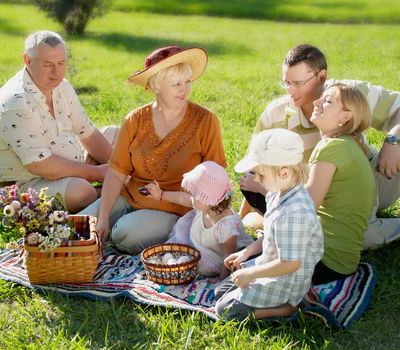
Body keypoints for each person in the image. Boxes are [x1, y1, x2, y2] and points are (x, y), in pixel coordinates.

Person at [239, 44, 400, 255]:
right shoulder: (276, 114)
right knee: (352, 237)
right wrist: (241, 217)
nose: (291, 91)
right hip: (324, 200)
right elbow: (255, 169)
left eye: (298, 83)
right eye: (286, 83)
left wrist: (393, 141)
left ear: (321, 77)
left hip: (375, 179)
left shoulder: (347, 95)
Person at [79, 46, 227, 254]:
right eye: (176, 84)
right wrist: (102, 218)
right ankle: (107, 228)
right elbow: (116, 172)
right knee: (78, 226)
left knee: (124, 234)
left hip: (175, 209)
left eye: (187, 82)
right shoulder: (135, 119)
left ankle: (118, 233)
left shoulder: (206, 121)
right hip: (129, 197)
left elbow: (216, 176)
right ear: (156, 86)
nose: (184, 89)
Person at [0, 30, 115, 213]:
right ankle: (113, 193)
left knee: (115, 133)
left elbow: (87, 132)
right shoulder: (16, 103)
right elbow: (40, 165)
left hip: (72, 166)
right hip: (29, 185)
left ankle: (118, 185)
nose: (56, 72)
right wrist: (99, 173)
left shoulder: (62, 86)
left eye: (61, 63)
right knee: (81, 192)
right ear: (27, 60)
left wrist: (118, 169)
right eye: (48, 65)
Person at [215, 129, 324, 321]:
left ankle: (289, 308)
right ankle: (265, 298)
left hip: (286, 280)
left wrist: (251, 273)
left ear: (283, 172)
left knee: (225, 309)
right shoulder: (276, 192)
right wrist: (246, 252)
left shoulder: (294, 214)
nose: (256, 179)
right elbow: (273, 235)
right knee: (220, 291)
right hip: (270, 264)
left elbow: (290, 263)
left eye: (260, 174)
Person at [307, 83, 375, 284]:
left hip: (325, 261)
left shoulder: (332, 147)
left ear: (346, 117)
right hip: (343, 262)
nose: (316, 102)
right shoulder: (349, 144)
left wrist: (262, 190)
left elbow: (305, 208)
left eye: (327, 101)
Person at [145, 161, 254, 281]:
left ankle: (196, 264)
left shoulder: (226, 224)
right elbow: (181, 198)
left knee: (193, 262)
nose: (191, 197)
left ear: (207, 198)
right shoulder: (207, 206)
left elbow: (229, 255)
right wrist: (161, 194)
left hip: (217, 259)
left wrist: (221, 279)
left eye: (195, 194)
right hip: (201, 245)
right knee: (182, 234)